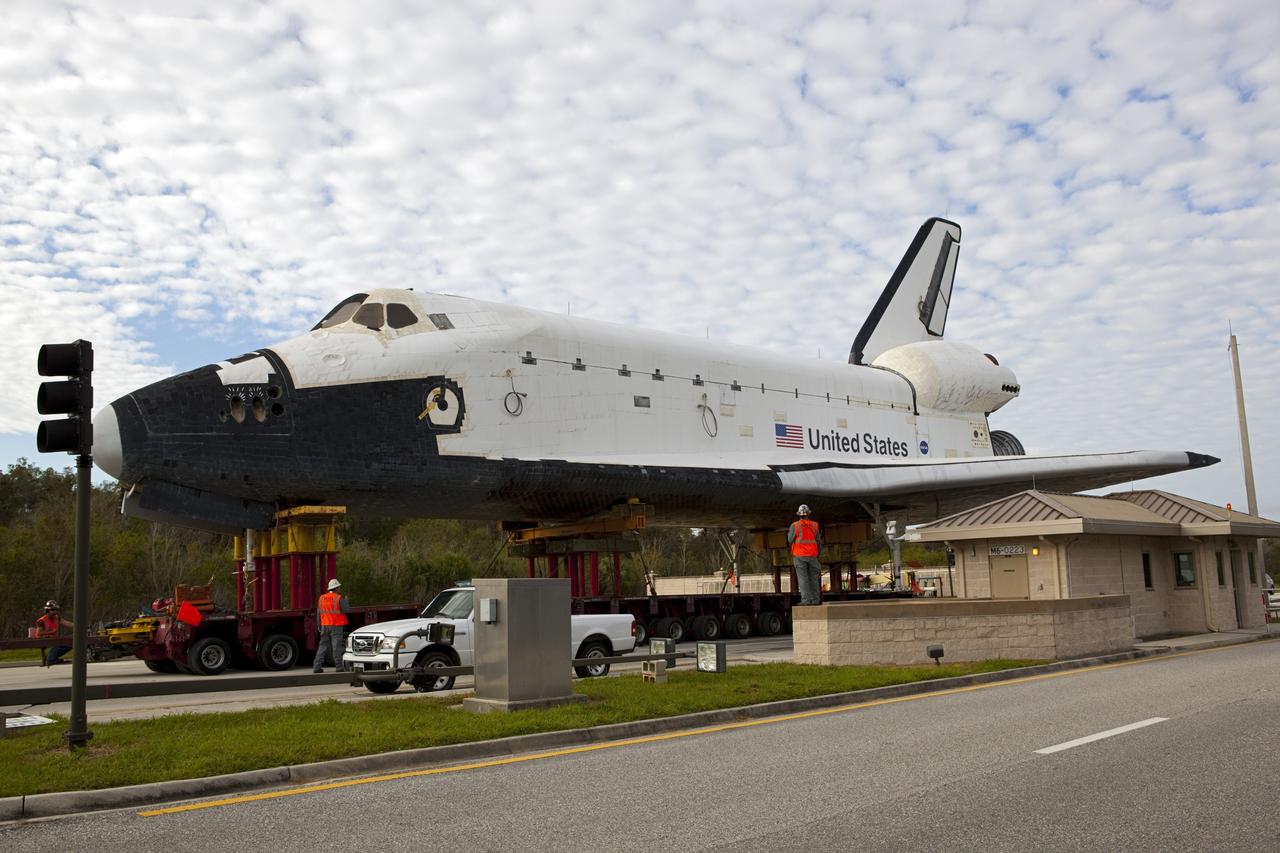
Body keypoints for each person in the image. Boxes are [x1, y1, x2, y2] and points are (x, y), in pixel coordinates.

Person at [788, 504, 823, 606]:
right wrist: (817, 554)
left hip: (799, 556)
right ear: (808, 514)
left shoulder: (795, 526)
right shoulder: (815, 525)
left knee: (803, 579)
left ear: (799, 515)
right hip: (812, 555)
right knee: (814, 579)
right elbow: (818, 541)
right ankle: (816, 600)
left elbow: (790, 539)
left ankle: (806, 601)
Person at [313, 578, 351, 673]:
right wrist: (346, 601)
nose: (340, 589)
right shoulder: (338, 598)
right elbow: (346, 610)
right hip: (336, 626)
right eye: (339, 587)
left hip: (325, 625)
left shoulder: (321, 598)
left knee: (322, 646)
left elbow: (319, 613)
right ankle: (339, 667)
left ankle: (316, 667)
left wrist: (319, 626)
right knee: (336, 647)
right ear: (336, 588)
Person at [35, 600, 74, 666]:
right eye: (53, 610)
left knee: (70, 644)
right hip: (43, 640)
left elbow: (67, 623)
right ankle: (50, 660)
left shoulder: (56, 618)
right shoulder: (41, 621)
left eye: (56, 610)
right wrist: (51, 632)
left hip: (54, 639)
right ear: (48, 610)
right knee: (56, 643)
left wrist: (79, 626)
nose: (55, 612)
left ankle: (51, 657)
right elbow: (39, 633)